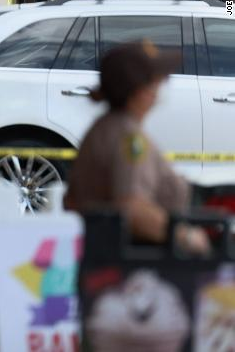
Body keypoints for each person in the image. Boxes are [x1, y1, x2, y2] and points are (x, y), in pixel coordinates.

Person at [65, 40, 209, 255]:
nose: (161, 87)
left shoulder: (107, 127)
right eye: (158, 80)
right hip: (136, 262)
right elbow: (131, 209)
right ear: (140, 91)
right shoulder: (129, 139)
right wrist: (187, 238)